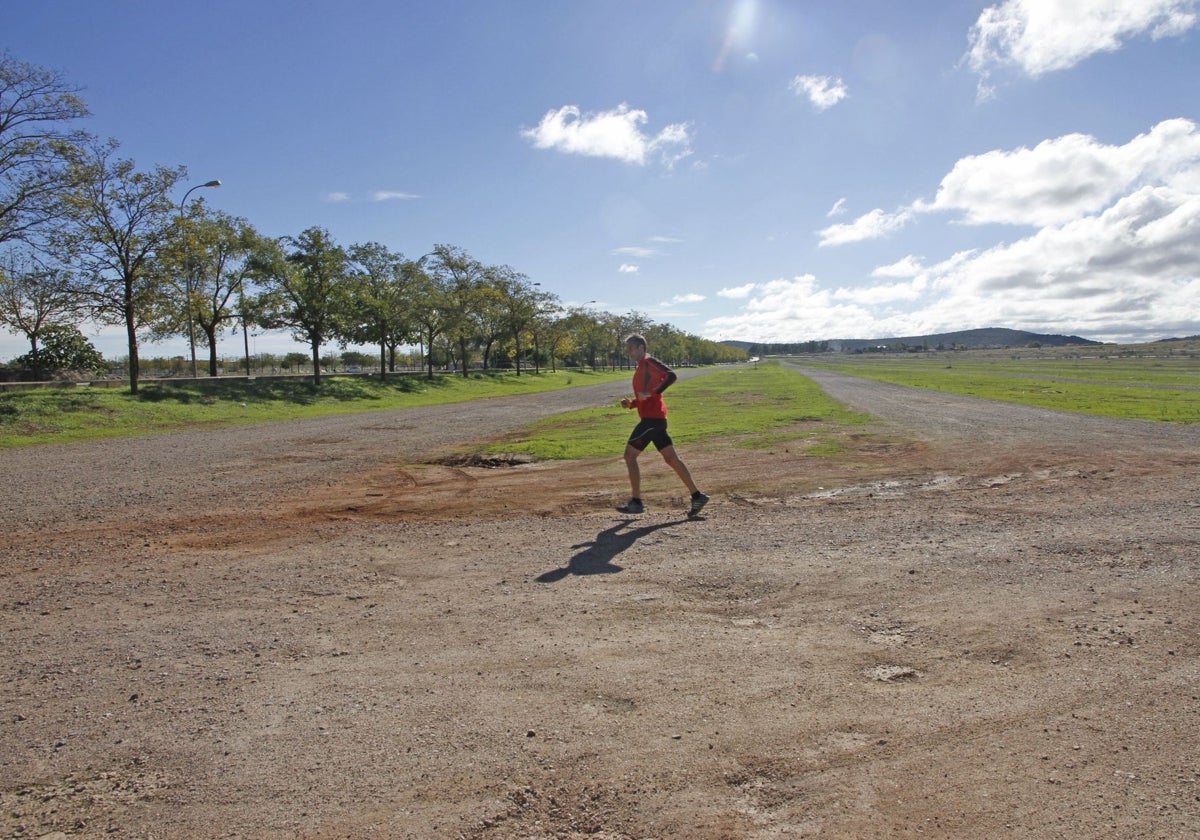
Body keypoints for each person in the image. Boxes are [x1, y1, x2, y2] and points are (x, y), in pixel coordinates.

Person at [616, 333, 710, 517]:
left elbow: (671, 376)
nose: (628, 352)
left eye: (631, 348)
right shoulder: (642, 367)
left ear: (641, 348)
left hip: (652, 420)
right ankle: (697, 496)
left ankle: (636, 502)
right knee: (671, 459)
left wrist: (651, 393)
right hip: (655, 420)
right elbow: (646, 396)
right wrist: (632, 404)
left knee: (629, 456)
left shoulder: (649, 362)